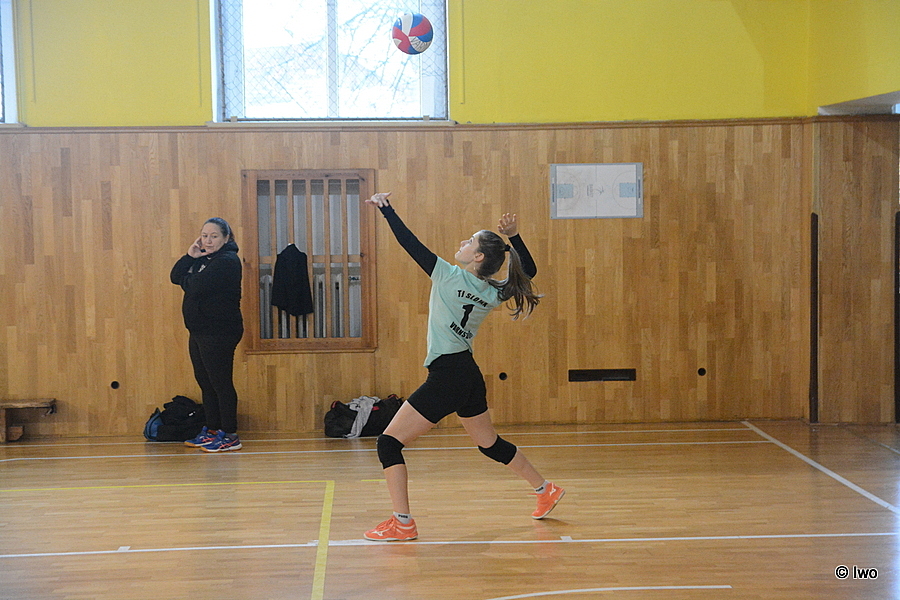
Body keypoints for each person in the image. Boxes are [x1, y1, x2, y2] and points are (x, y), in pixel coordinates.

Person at [363, 192, 564, 542]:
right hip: (467, 375)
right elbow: (527, 271)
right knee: (489, 444)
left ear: (478, 256)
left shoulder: (446, 274)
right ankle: (544, 489)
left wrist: (387, 210)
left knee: (388, 443)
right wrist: (515, 236)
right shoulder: (492, 292)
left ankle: (402, 522)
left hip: (448, 375)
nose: (462, 243)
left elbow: (410, 243)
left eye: (469, 241)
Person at [170, 217, 244, 452]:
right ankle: (212, 430)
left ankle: (230, 434)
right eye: (204, 236)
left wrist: (189, 279)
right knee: (205, 381)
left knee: (220, 383)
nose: (208, 241)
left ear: (226, 238)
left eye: (214, 236)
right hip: (199, 330)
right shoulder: (204, 259)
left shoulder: (227, 261)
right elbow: (175, 277)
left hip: (220, 331)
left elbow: (195, 287)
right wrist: (189, 257)